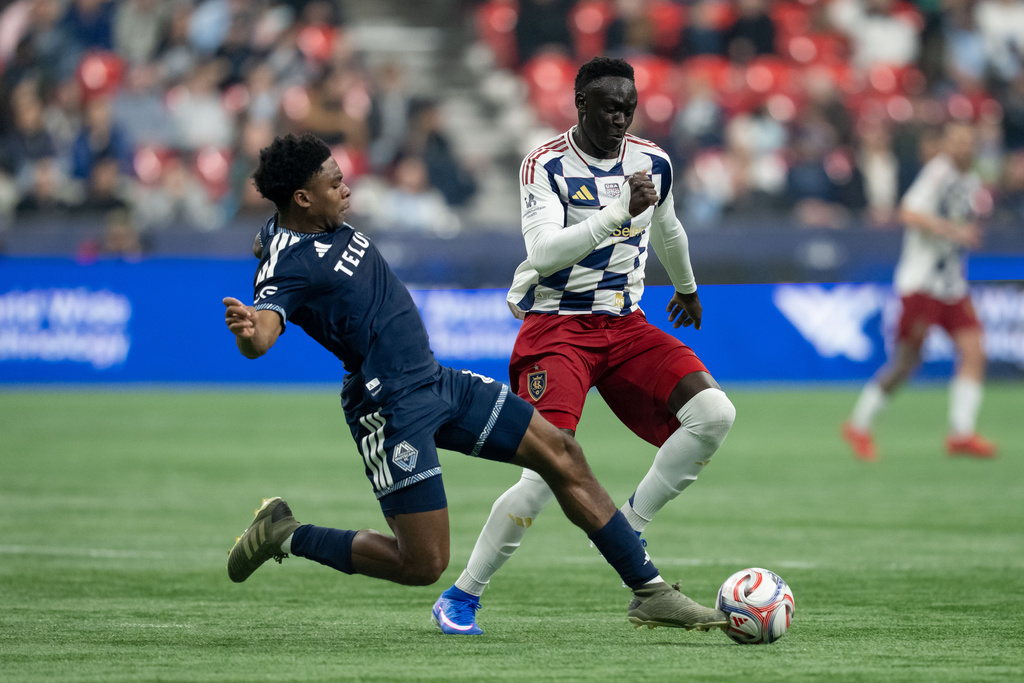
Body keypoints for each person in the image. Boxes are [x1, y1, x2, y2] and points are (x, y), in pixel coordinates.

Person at [222, 133, 727, 633]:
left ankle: (650, 592)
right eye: (335, 184)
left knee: (562, 454)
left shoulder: (296, 225)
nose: (346, 189)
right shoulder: (287, 264)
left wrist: (265, 238)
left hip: (436, 381)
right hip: (389, 409)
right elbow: (264, 329)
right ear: (304, 198)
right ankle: (286, 533)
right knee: (422, 564)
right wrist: (250, 333)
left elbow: (266, 234)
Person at [431, 57, 736, 635]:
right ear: (581, 105)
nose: (620, 117)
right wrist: (620, 211)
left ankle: (630, 525)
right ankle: (462, 594)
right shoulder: (544, 165)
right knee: (547, 471)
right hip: (557, 327)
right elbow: (544, 253)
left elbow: (668, 229)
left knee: (715, 413)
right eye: (608, 107)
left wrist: (688, 286)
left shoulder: (654, 162)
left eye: (629, 106)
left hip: (625, 325)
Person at [842, 121, 997, 461]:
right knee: (906, 363)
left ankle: (961, 432)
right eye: (956, 141)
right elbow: (909, 211)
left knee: (974, 350)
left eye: (967, 141)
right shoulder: (937, 173)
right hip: (921, 285)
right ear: (946, 145)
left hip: (951, 285)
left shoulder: (970, 179)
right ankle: (859, 424)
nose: (962, 148)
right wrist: (952, 231)